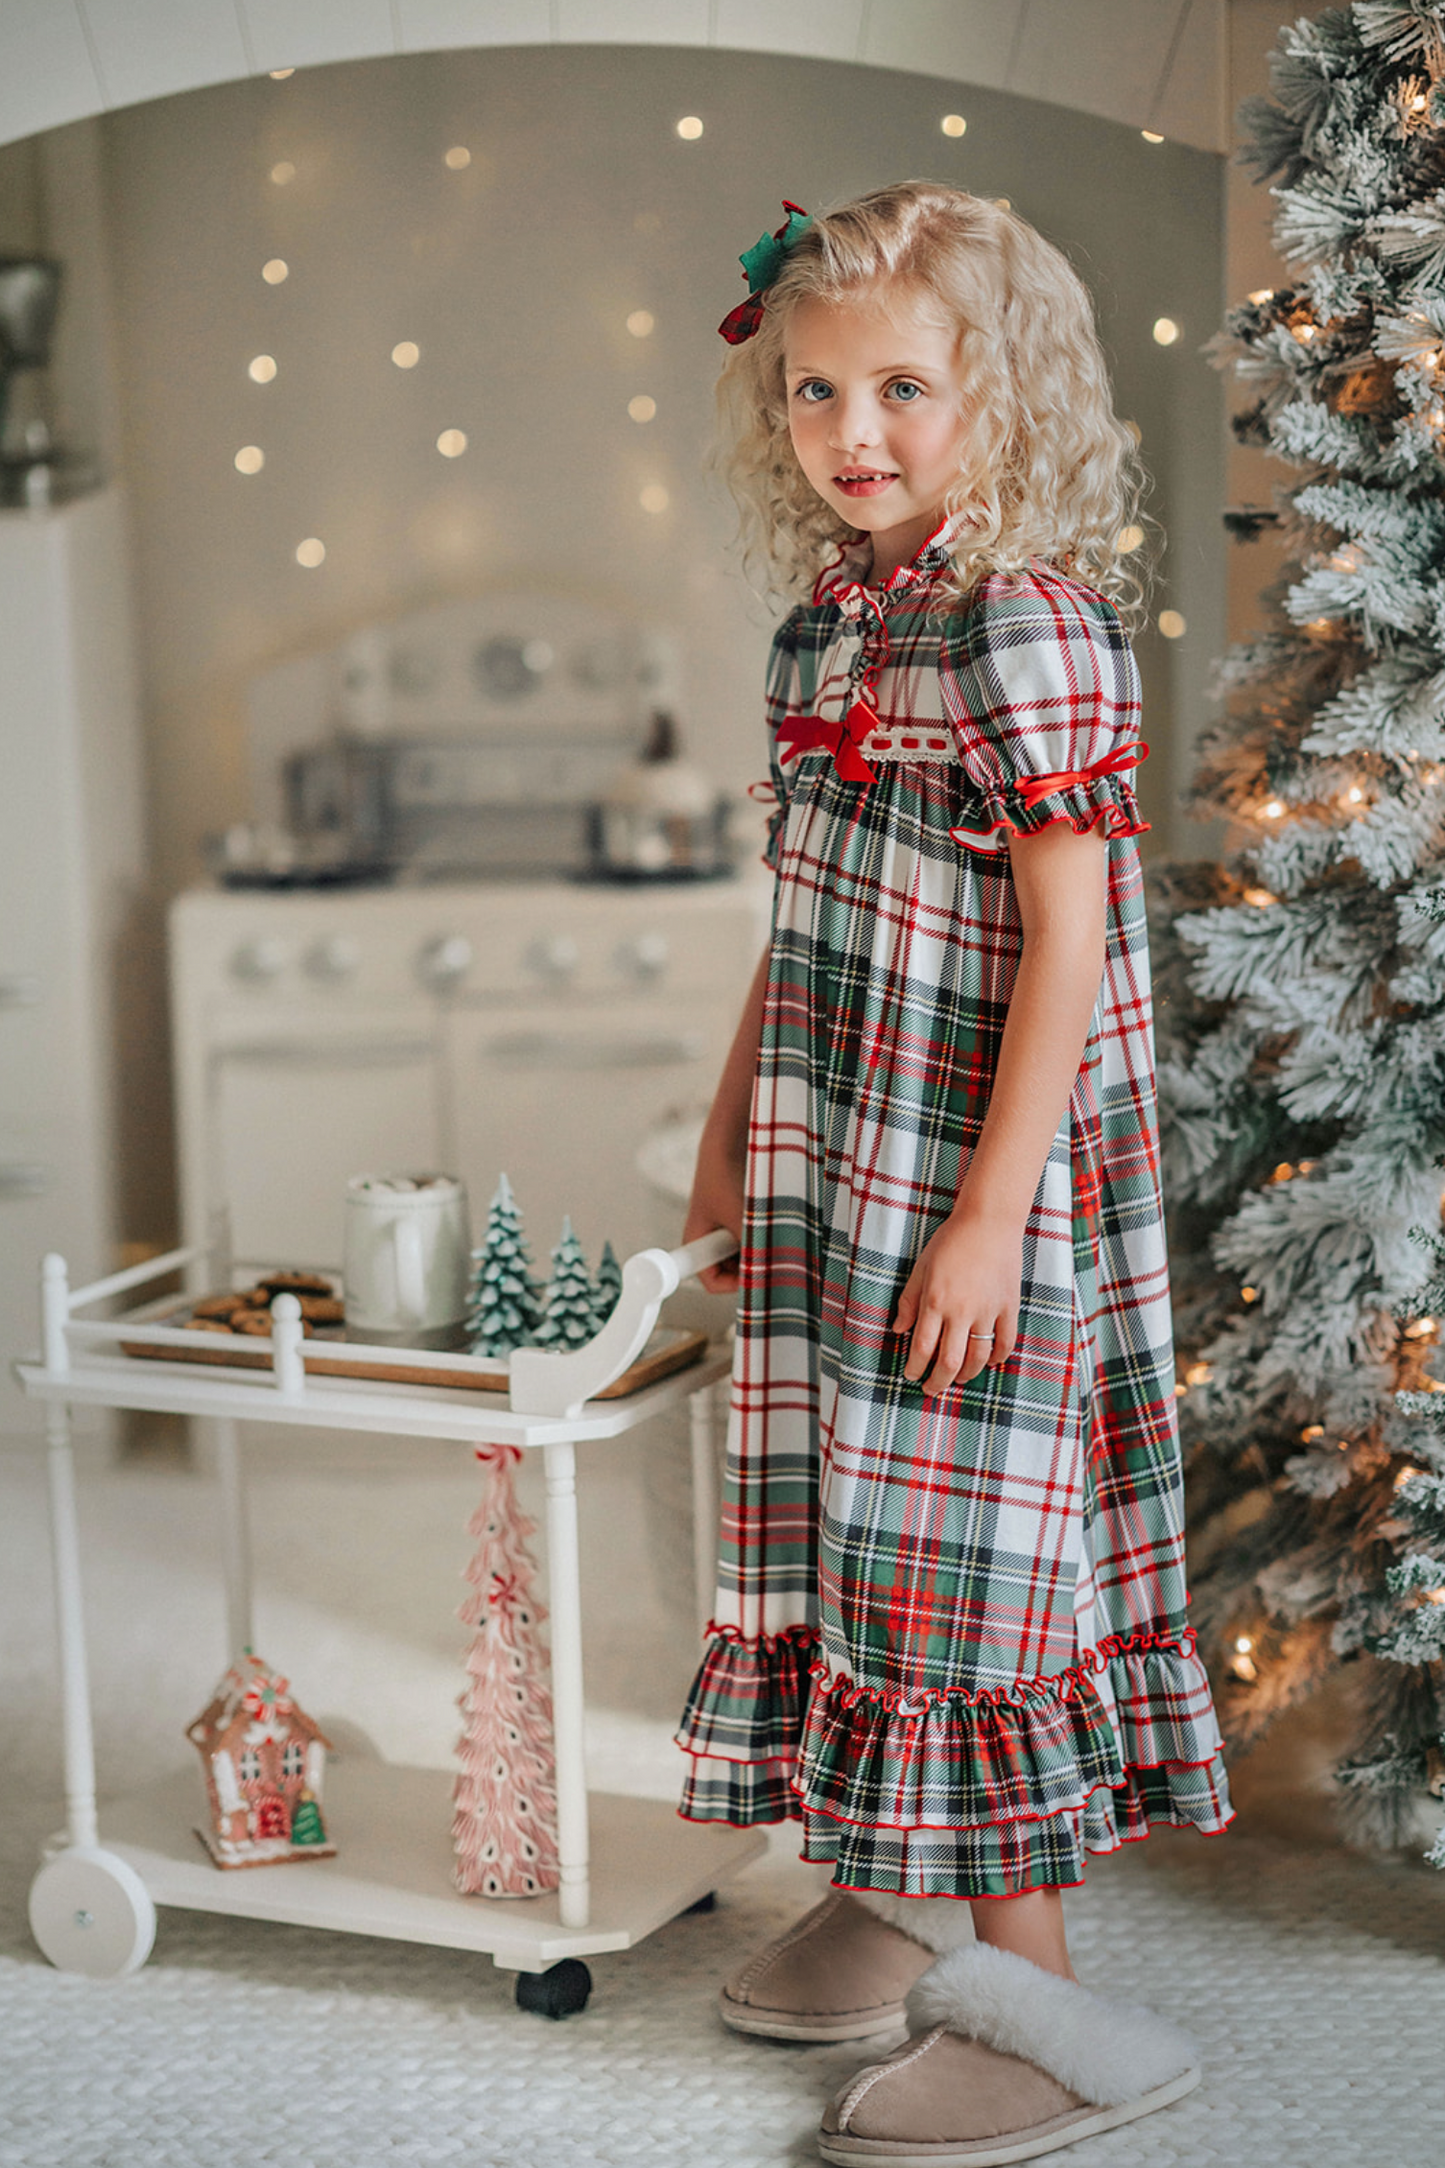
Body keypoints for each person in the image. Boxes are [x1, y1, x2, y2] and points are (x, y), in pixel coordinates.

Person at [675, 182, 1232, 2166]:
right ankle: (884, 1880)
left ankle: (1039, 1994)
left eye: (903, 385)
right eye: (818, 389)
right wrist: (731, 1116)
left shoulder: (1027, 624)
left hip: (966, 1166)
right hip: (835, 1148)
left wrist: (991, 1209)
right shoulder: (827, 618)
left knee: (960, 1545)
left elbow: (1068, 946)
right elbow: (796, 908)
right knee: (841, 1515)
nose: (855, 431)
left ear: (1003, 390)